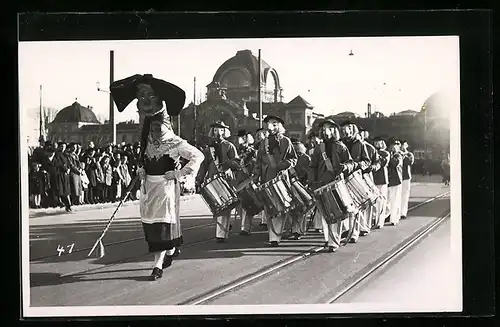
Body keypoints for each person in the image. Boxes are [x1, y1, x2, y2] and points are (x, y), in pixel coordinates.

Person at [110, 74, 205, 281]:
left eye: (158, 127)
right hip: (148, 191)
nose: (154, 130)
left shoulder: (175, 142)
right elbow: (143, 160)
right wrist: (141, 170)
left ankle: (157, 266)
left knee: (162, 227)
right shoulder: (147, 143)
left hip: (165, 189)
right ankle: (170, 252)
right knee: (153, 227)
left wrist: (179, 174)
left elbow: (198, 156)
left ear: (166, 126)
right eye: (152, 128)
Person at [309, 119, 354, 252]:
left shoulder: (341, 146)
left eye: (328, 128)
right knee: (325, 213)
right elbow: (313, 167)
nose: (325, 131)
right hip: (322, 184)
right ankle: (328, 239)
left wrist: (345, 166)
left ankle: (334, 241)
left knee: (337, 212)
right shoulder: (319, 148)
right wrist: (312, 182)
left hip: (337, 183)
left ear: (334, 130)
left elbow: (350, 162)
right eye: (323, 129)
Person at [252, 115, 297, 247]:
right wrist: (256, 175)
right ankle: (274, 235)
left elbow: (293, 159)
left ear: (280, 126)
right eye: (269, 124)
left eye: (275, 124)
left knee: (280, 207)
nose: (272, 127)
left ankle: (275, 237)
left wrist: (283, 165)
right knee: (269, 208)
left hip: (281, 178)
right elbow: (258, 162)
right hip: (266, 178)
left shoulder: (286, 141)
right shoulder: (263, 143)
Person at [196, 121, 240, 243]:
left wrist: (229, 164)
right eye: (215, 130)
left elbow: (237, 163)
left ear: (224, 131)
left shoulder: (229, 146)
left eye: (220, 130)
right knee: (218, 205)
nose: (218, 133)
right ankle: (222, 230)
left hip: (226, 178)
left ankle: (221, 234)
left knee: (225, 206)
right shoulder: (208, 148)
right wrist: (199, 180)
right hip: (212, 178)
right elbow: (203, 165)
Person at [340, 121, 371, 243]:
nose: (345, 132)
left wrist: (356, 165)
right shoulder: (340, 144)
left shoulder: (360, 144)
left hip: (355, 176)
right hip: (342, 177)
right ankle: (348, 229)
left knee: (355, 206)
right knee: (345, 206)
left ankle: (354, 232)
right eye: (343, 129)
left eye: (348, 129)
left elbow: (367, 161)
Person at [234, 130, 258, 236]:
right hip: (238, 179)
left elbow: (254, 163)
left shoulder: (252, 151)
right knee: (240, 205)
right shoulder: (237, 150)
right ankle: (245, 226)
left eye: (242, 137)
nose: (240, 139)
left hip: (247, 179)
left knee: (247, 204)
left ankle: (246, 227)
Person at [287, 138, 311, 240]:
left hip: (299, 185)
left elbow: (309, 172)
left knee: (299, 210)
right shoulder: (306, 158)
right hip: (296, 185)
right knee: (297, 210)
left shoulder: (306, 159)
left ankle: (297, 230)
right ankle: (296, 230)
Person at [358, 128, 381, 228]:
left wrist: (374, 167)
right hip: (355, 177)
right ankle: (359, 226)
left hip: (367, 177)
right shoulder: (349, 146)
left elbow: (377, 162)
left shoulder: (370, 148)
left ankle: (366, 225)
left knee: (368, 200)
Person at [372, 137, 390, 229]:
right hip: (373, 179)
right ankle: (375, 219)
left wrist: (376, 155)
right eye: (375, 142)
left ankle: (380, 221)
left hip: (382, 178)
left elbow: (383, 162)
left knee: (381, 200)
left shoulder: (385, 153)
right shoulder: (372, 151)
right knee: (375, 201)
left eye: (379, 142)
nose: (377, 144)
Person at [253, 128, 269, 230]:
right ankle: (264, 220)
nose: (259, 137)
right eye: (258, 135)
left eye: (261, 135)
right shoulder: (257, 147)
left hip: (269, 173)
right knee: (265, 199)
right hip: (262, 174)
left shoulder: (267, 144)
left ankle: (266, 221)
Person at [386, 138, 404, 226]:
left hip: (396, 180)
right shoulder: (388, 154)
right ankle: (388, 216)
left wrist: (391, 155)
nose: (394, 147)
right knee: (387, 200)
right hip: (388, 180)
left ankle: (394, 218)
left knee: (394, 200)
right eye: (392, 145)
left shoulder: (398, 155)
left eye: (396, 145)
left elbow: (395, 163)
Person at [400, 140, 415, 219]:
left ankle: (403, 212)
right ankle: (397, 212)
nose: (403, 146)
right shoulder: (397, 153)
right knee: (398, 195)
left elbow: (410, 162)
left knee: (405, 194)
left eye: (404, 144)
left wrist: (404, 155)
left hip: (406, 176)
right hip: (398, 177)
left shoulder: (409, 154)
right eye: (401, 144)